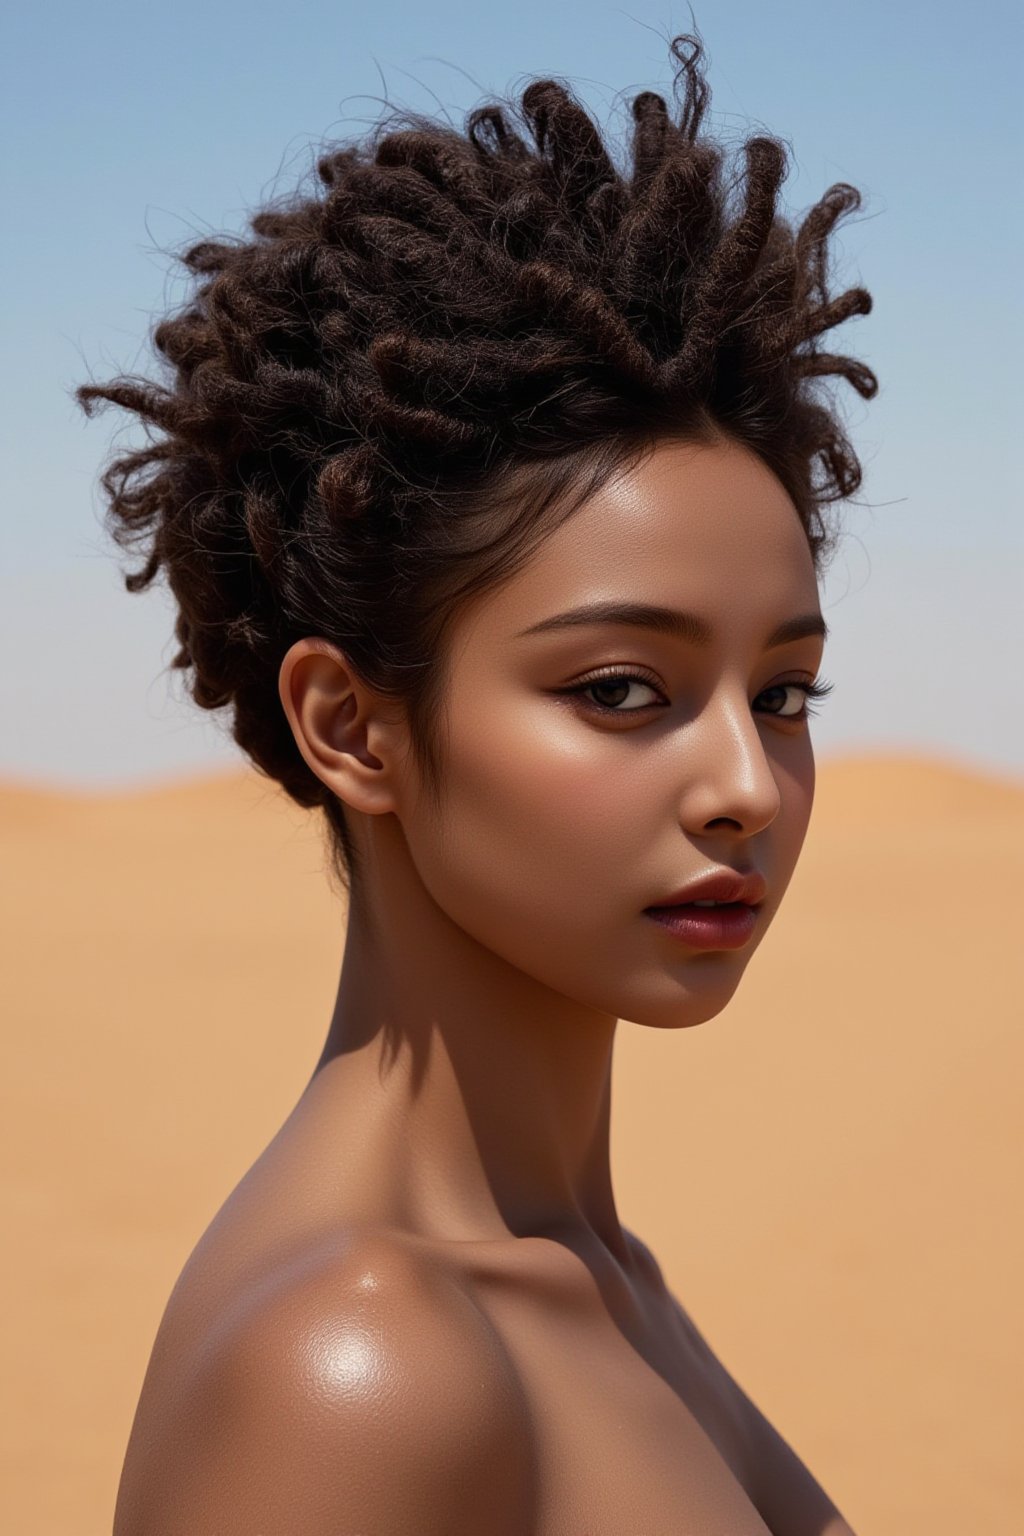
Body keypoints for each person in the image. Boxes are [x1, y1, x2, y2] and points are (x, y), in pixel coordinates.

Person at [77, 29, 875, 1535]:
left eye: (782, 693)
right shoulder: (361, 1372)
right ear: (355, 728)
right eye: (621, 690)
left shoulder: (590, 1271)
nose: (748, 788)